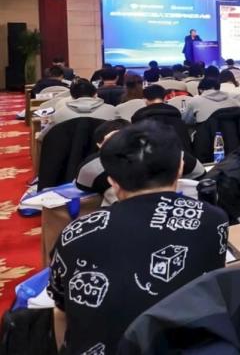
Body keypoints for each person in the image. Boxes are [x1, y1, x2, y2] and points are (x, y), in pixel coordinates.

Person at [50, 121, 228, 355]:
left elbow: (61, 307)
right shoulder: (213, 219)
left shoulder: (76, 232)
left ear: (112, 181)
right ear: (180, 167)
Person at [43, 80, 117, 135]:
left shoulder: (59, 113)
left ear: (72, 96)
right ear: (95, 94)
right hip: (104, 150)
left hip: (68, 150)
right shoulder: (111, 110)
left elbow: (44, 136)